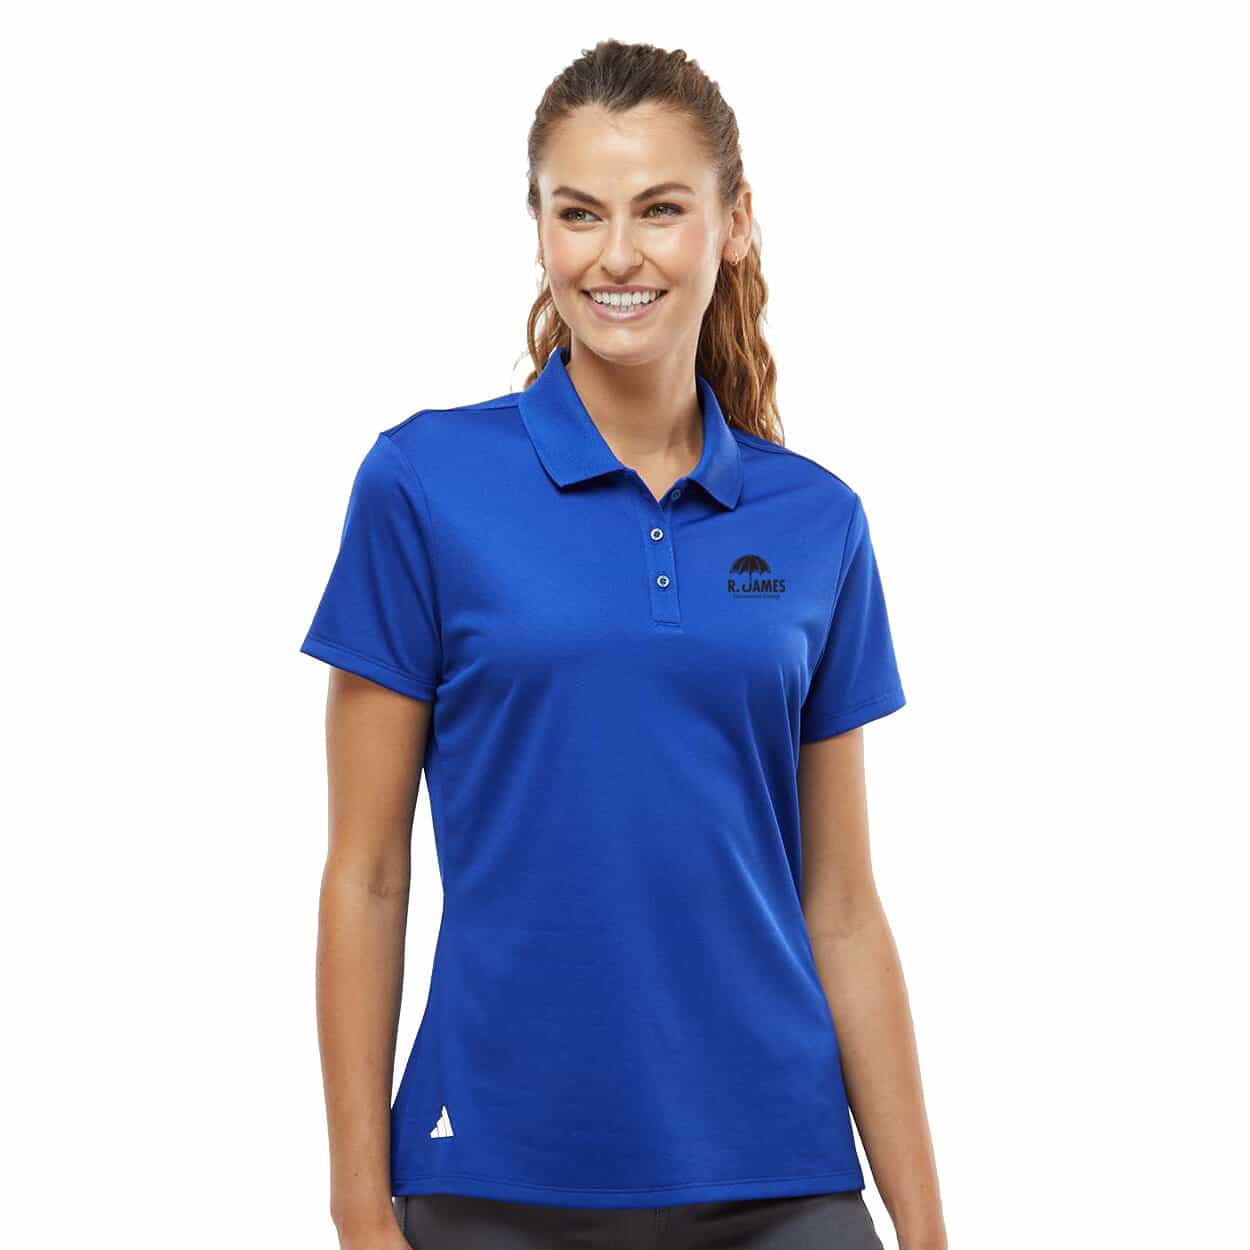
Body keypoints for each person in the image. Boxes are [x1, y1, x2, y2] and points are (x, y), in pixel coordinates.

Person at [301, 38, 947, 1250]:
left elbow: (842, 905)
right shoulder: (424, 484)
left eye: (659, 209)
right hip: (492, 1172)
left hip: (779, 1171)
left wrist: (925, 1228)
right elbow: (367, 871)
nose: (614, 255)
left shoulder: (815, 520)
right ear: (539, 228)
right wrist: (356, 1209)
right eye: (577, 212)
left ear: (733, 221)